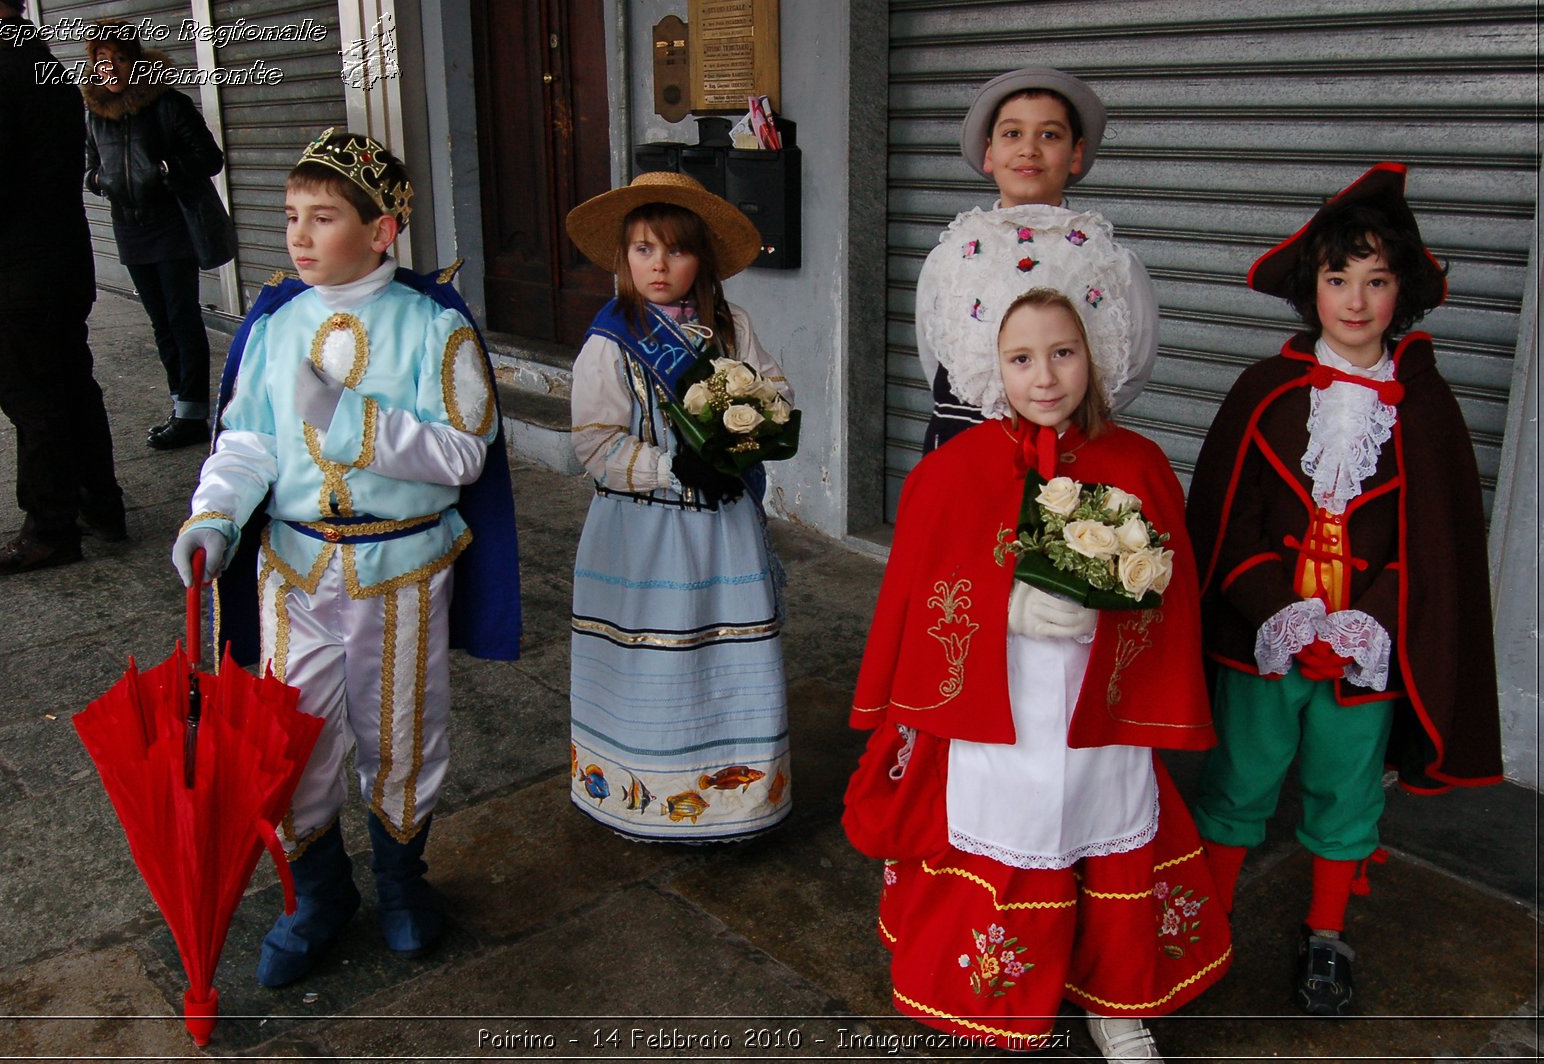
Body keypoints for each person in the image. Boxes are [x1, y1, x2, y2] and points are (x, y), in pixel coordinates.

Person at [170, 128, 521, 987]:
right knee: (294, 737)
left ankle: (403, 885)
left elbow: (464, 453)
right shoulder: (275, 322)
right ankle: (315, 895)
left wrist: (354, 426)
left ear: (383, 229)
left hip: (401, 573)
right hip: (294, 571)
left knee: (401, 731)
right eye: (292, 215)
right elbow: (247, 438)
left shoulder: (434, 328)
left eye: (322, 217)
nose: (298, 234)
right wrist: (213, 519)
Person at [847, 287, 1230, 1063]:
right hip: (999, 710)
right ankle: (993, 990)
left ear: (1097, 355)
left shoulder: (1140, 463)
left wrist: (1120, 602)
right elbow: (919, 595)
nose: (1045, 376)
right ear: (993, 367)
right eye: (1022, 358)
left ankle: (1116, 1007)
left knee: (1105, 820)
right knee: (1012, 825)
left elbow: (1174, 589)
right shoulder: (953, 470)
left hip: (1100, 711)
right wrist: (1005, 610)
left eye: (1064, 352)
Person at [1185, 162, 1502, 1016]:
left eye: (1376, 280)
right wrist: (1278, 614)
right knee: (1240, 778)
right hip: (1266, 639)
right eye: (1338, 280)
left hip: (1367, 649)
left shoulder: (1427, 408)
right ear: (1312, 289)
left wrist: (1367, 625)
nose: (1356, 301)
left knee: (1346, 789)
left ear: (1403, 292)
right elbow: (1227, 521)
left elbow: (1435, 552)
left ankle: (1326, 934)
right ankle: (1206, 920)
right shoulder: (1264, 391)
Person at [562, 171, 793, 842]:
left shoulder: (732, 326)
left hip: (723, 525)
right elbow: (595, 443)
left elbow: (773, 393)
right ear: (624, 259)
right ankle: (638, 796)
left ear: (703, 260)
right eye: (641, 249)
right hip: (642, 534)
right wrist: (670, 465)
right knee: (652, 654)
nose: (658, 266)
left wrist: (746, 442)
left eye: (675, 250)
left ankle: (737, 801)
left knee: (722, 649)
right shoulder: (610, 341)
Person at [915, 66, 1158, 453]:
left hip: (1072, 455)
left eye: (1049, 134)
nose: (1029, 148)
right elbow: (937, 357)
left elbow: (1131, 370)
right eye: (1013, 133)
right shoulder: (950, 259)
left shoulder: (1113, 264)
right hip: (966, 452)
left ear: (1076, 153)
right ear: (990, 152)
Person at [0, 0, 124, 575]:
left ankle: (49, 527)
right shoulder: (42, 62)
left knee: (33, 401)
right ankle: (100, 505)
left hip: (14, 274)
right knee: (72, 387)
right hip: (61, 263)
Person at [83, 19, 226, 450]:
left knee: (182, 318)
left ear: (136, 61)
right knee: (160, 321)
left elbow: (209, 157)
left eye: (120, 59)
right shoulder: (94, 112)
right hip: (130, 227)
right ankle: (180, 406)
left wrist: (165, 169)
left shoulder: (168, 104)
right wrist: (100, 180)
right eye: (102, 60)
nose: (111, 69)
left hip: (171, 226)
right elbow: (89, 165)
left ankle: (193, 414)